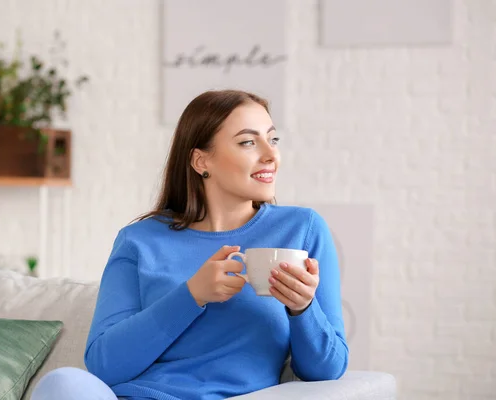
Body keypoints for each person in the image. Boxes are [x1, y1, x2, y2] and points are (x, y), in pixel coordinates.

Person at [31, 90, 349, 400]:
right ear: (200, 161)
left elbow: (327, 370)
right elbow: (103, 365)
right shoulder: (139, 241)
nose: (271, 155)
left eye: (273, 139)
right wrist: (191, 295)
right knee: (63, 384)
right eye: (249, 142)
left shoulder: (302, 229)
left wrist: (302, 308)